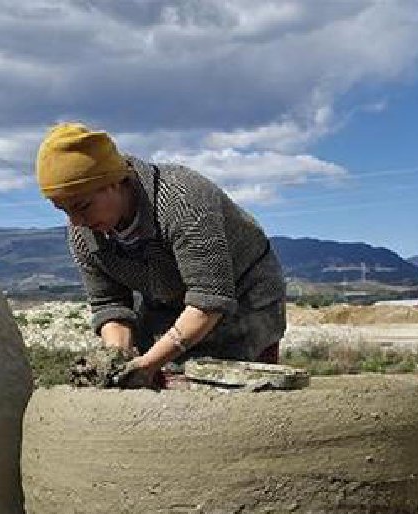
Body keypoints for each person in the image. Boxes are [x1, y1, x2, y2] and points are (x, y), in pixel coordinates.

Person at [35, 123, 287, 387]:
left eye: (83, 206)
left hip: (242, 296)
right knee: (150, 385)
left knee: (229, 387)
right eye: (64, 211)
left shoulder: (182, 200)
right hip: (166, 302)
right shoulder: (84, 235)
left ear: (114, 183)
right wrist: (117, 359)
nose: (76, 221)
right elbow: (110, 305)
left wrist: (150, 363)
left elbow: (209, 301)